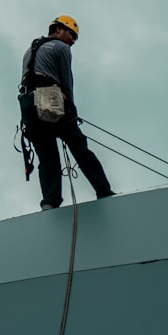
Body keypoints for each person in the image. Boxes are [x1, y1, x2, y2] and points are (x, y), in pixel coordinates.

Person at [20, 15, 115, 210]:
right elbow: (66, 80)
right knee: (79, 148)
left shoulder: (29, 51)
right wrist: (71, 109)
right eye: (71, 34)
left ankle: (49, 202)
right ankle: (104, 191)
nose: (73, 41)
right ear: (58, 29)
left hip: (28, 105)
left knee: (47, 157)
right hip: (49, 97)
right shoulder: (61, 48)